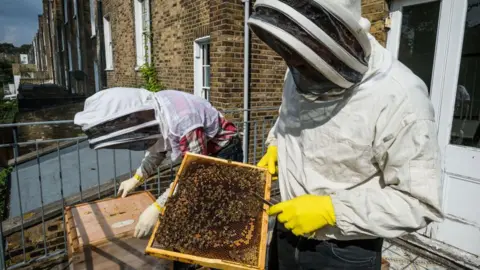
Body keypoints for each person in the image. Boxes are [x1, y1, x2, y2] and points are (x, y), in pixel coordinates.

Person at [251, 0, 444, 269]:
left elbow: (419, 203)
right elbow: (289, 118)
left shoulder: (401, 97)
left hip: (344, 251)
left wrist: (333, 211)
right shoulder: (304, 62)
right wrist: (276, 144)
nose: (299, 70)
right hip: (286, 232)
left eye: (306, 62)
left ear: (341, 41)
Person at [74, 87, 243, 241]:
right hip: (204, 153)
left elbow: (194, 172)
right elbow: (157, 150)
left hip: (225, 151)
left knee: (217, 210)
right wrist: (137, 177)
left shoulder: (184, 121)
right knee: (197, 208)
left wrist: (157, 208)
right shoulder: (160, 110)